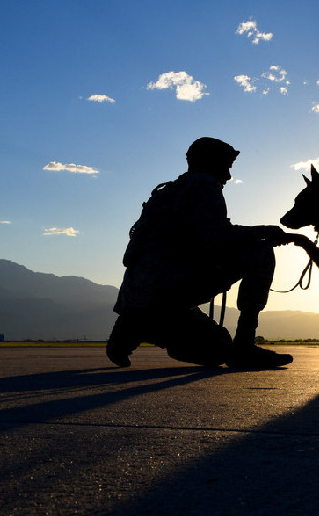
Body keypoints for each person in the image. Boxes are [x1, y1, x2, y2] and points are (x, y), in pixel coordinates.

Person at [106, 137, 296, 368]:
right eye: (226, 166)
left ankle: (134, 328)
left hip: (140, 295)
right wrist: (264, 232)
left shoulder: (169, 191)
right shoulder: (203, 184)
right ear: (210, 163)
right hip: (168, 291)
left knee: (218, 348)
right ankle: (244, 345)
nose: (228, 176)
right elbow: (214, 237)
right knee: (260, 251)